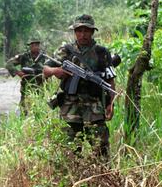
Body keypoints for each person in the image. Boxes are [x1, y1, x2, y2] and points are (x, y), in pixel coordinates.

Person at [43, 14, 116, 159]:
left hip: (94, 108)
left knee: (101, 150)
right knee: (69, 152)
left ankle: (100, 179)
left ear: (92, 32)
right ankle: (73, 180)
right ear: (75, 32)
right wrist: (55, 71)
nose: (83, 34)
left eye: (87, 31)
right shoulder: (65, 50)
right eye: (79, 30)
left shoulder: (102, 52)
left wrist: (111, 104)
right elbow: (45, 70)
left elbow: (110, 81)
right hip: (70, 108)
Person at [6, 38, 46, 113]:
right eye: (33, 45)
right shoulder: (24, 56)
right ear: (30, 46)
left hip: (40, 86)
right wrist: (18, 72)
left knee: (39, 109)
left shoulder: (44, 57)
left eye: (37, 45)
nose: (35, 47)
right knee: (24, 109)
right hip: (26, 86)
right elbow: (9, 64)